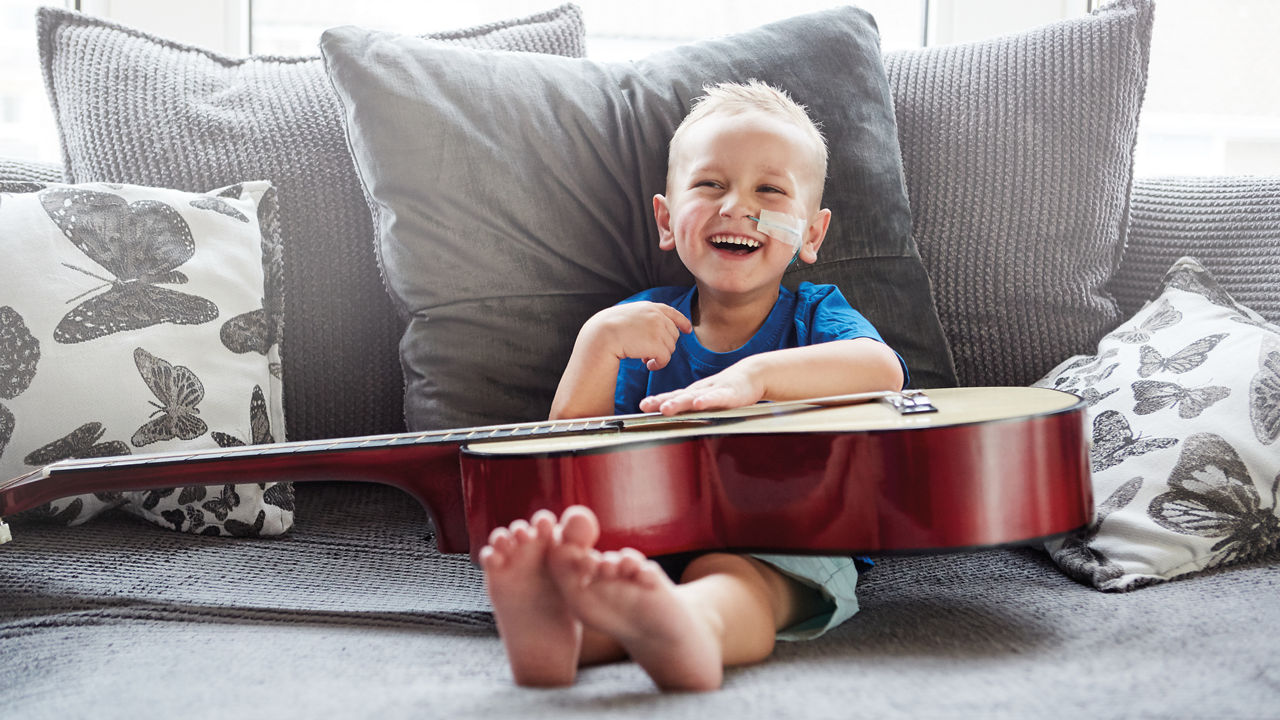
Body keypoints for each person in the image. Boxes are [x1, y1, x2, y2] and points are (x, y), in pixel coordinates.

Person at [479, 80, 907, 692]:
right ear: (666, 218)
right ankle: (565, 636)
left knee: (736, 580)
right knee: (597, 576)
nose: (736, 206)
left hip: (785, 535)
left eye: (769, 190)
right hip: (646, 538)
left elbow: (880, 370)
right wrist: (596, 343)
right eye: (710, 185)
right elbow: (565, 453)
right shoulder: (640, 324)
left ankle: (690, 629)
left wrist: (754, 377)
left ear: (811, 234)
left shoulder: (817, 318)